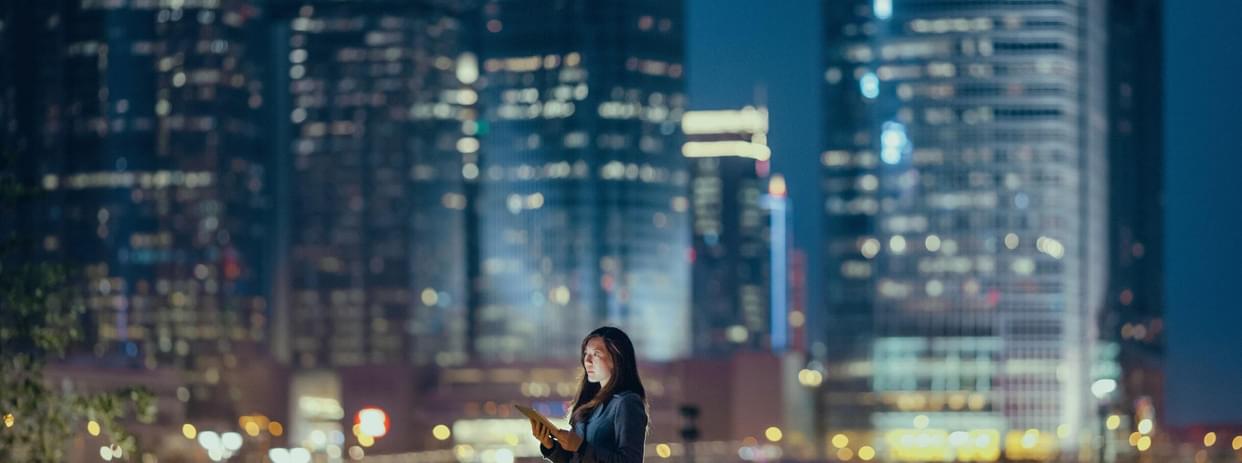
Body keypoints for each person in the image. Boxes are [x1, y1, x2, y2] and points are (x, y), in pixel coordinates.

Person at [527, 326, 648, 463]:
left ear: (617, 359)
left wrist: (581, 447)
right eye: (586, 354)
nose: (587, 361)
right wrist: (551, 446)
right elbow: (575, 459)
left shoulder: (627, 403)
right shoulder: (589, 402)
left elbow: (630, 461)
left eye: (596, 354)